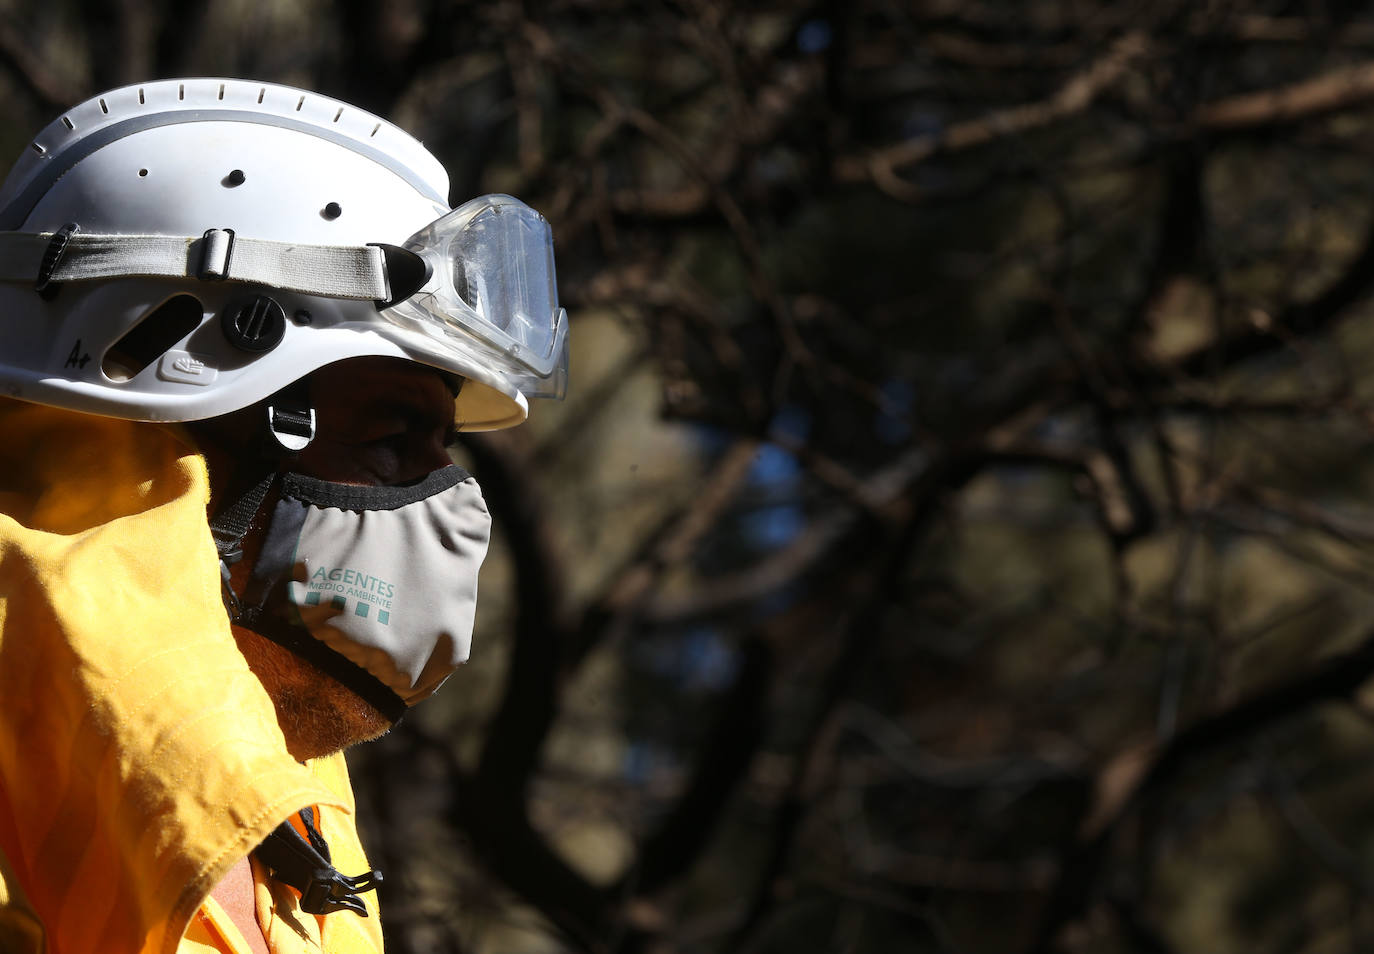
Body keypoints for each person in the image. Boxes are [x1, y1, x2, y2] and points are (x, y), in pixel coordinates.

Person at [0, 77, 568, 953]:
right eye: (392, 429)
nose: (445, 500)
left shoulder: (286, 811)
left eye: (445, 443)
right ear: (181, 388)